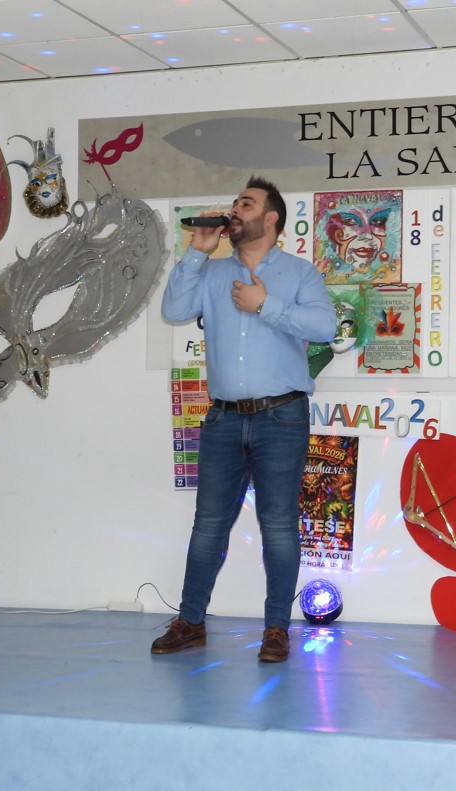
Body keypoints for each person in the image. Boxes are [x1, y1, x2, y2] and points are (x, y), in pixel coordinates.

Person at [155, 177, 337, 662]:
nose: (235, 210)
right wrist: (197, 251)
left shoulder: (299, 274)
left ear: (271, 218)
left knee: (278, 525)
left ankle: (276, 629)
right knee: (208, 524)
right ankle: (190, 622)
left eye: (246, 204)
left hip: (282, 417)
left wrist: (266, 307)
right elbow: (173, 309)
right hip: (223, 420)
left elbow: (326, 326)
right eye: (234, 203)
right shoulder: (212, 273)